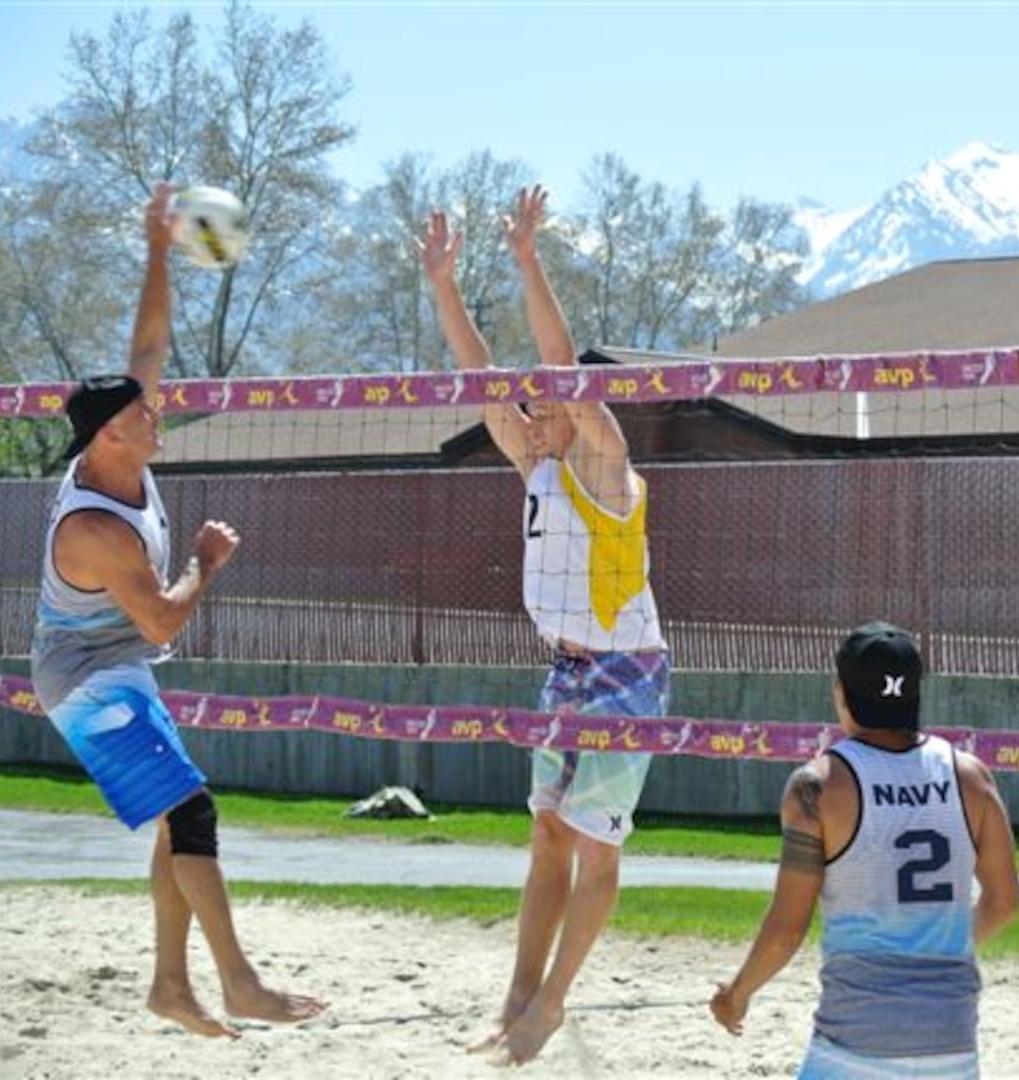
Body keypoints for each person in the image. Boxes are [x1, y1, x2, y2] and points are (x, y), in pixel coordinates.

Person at [29, 183, 327, 1039]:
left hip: (115, 661)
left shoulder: (122, 440)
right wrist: (205, 560)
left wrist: (159, 248)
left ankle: (171, 986)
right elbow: (161, 622)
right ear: (106, 437)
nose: (157, 412)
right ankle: (237, 980)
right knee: (192, 810)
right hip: (85, 678)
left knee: (178, 818)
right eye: (142, 412)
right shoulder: (96, 529)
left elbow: (149, 343)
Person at [420, 184, 670, 1066]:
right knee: (544, 834)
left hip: (626, 669)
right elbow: (480, 376)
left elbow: (557, 364)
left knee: (593, 850)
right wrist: (443, 283)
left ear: (578, 404)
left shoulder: (605, 463)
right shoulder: (534, 459)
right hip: (565, 668)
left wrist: (529, 260)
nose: (531, 404)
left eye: (550, 396)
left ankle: (550, 1005)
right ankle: (515, 1000)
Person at [710, 621, 1019, 1079]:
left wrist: (736, 996)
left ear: (841, 693)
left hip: (856, 1039)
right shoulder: (970, 776)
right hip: (950, 1039)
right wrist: (935, 951)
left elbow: (786, 932)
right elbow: (1005, 902)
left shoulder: (816, 787)